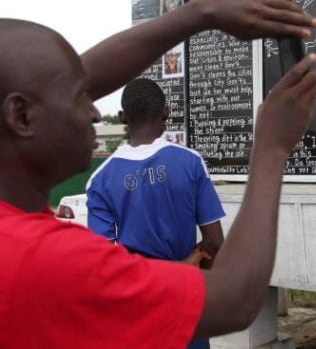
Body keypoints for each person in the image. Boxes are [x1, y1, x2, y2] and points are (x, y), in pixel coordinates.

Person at [0, 0, 316, 347]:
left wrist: (200, 14)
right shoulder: (46, 261)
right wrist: (272, 146)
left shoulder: (32, 224)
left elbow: (50, 84)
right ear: (20, 115)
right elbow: (236, 298)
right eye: (80, 97)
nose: (93, 111)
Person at [86, 78, 226, 349]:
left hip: (138, 308)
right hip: (187, 301)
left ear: (122, 117)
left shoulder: (101, 180)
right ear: (165, 112)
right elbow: (214, 243)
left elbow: (104, 267)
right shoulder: (190, 162)